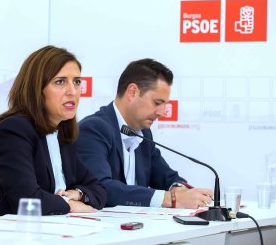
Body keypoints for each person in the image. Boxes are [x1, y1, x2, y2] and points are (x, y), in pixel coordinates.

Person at [0, 45, 106, 215]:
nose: (72, 91)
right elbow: (25, 199)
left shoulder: (61, 134)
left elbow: (98, 189)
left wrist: (77, 194)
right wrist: (68, 205)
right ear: (37, 89)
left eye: (77, 82)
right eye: (60, 82)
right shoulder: (14, 131)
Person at [76, 59, 213, 209]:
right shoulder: (93, 129)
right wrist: (171, 199)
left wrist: (178, 189)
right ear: (132, 92)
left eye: (165, 105)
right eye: (157, 102)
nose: (162, 112)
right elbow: (100, 188)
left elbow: (167, 177)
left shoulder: (144, 133)